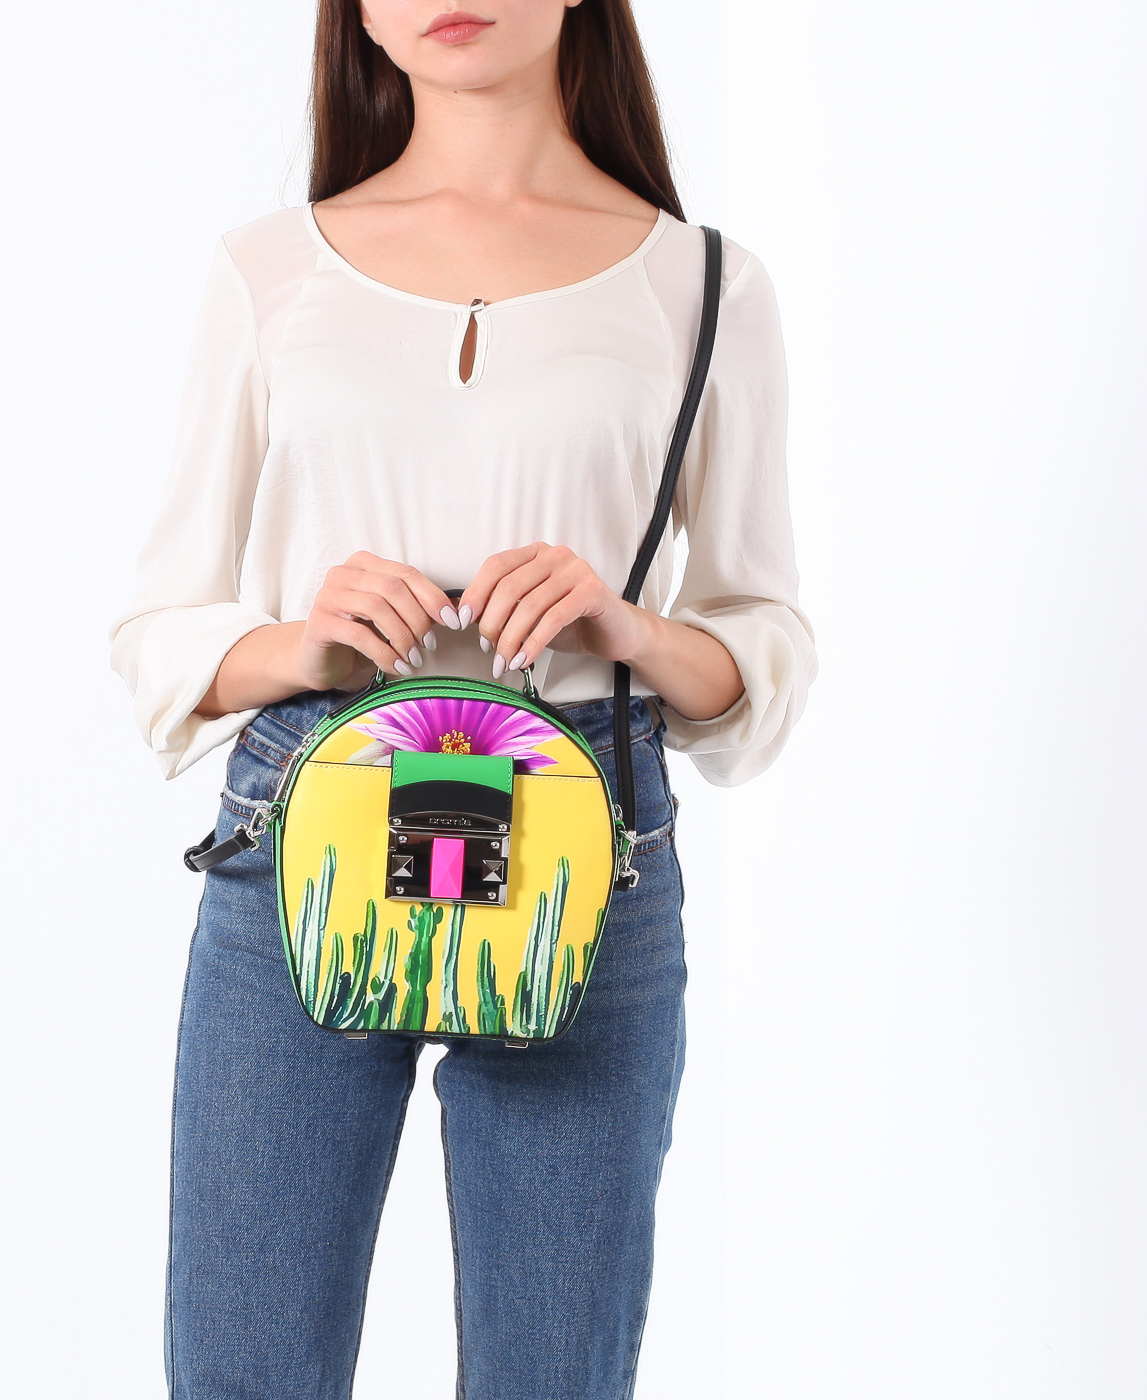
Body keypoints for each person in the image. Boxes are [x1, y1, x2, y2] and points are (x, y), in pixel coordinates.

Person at [109, 2, 816, 1395]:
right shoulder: (269, 271)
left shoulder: (706, 287)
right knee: (244, 1371)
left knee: (555, 1372)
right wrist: (302, 644)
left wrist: (625, 625)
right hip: (307, 817)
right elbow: (156, 631)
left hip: (585, 834)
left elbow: (763, 639)